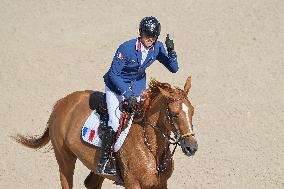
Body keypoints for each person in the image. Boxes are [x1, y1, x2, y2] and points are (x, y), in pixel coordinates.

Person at [97, 16, 179, 176]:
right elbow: (114, 75)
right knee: (115, 123)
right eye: (147, 34)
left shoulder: (157, 47)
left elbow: (174, 68)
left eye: (154, 36)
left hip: (137, 87)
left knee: (144, 117)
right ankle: (105, 159)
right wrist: (127, 94)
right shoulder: (126, 48)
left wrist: (171, 51)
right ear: (140, 33)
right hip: (116, 87)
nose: (150, 38)